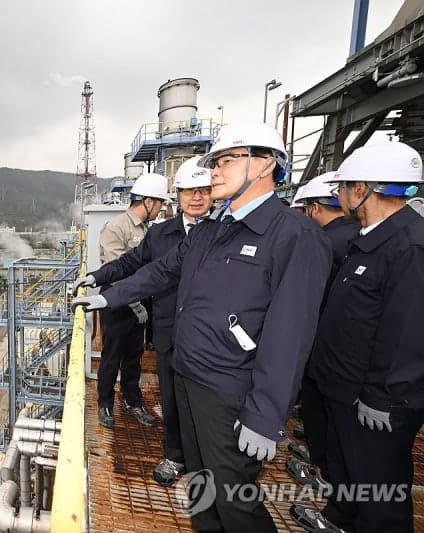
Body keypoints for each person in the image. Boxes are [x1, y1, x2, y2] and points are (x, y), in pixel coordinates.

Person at [73, 122, 331, 533]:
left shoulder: (294, 236)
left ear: (264, 164)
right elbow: (160, 271)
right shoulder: (213, 230)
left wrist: (265, 415)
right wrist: (107, 296)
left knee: (233, 499)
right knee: (201, 486)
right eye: (214, 162)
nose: (214, 171)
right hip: (188, 377)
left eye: (226, 160)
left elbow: (291, 335)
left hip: (231, 391)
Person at [291, 142, 424, 533]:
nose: (339, 195)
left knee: (380, 491)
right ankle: (339, 520)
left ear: (363, 188)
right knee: (348, 472)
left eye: (344, 186)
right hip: (345, 390)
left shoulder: (410, 246)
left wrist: (382, 396)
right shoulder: (370, 239)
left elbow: (409, 331)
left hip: (377, 400)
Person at [73, 157, 214, 486]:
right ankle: (175, 453)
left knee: (201, 402)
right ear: (175, 196)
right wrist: (96, 280)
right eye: (188, 191)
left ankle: (204, 461)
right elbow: (131, 266)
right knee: (169, 396)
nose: (196, 198)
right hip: (161, 324)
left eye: (203, 190)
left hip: (205, 333)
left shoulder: (221, 233)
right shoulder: (161, 235)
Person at [285, 173, 360, 493]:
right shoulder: (356, 236)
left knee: (327, 417)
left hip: (327, 350)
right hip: (346, 354)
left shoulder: (324, 242)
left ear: (314, 208)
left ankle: (325, 474)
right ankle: (324, 464)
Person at [90, 172, 169, 429]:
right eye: (159, 203)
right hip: (117, 303)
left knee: (134, 356)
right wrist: (134, 302)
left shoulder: (149, 230)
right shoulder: (116, 227)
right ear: (148, 201)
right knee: (112, 355)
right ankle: (105, 403)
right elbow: (116, 269)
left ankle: (132, 400)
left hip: (140, 305)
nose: (161, 209)